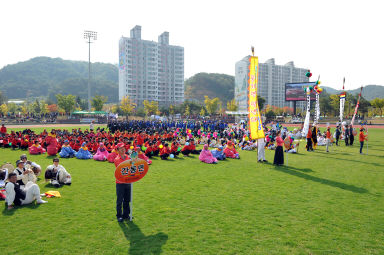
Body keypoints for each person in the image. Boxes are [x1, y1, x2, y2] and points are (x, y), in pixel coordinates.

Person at [114, 143, 132, 222]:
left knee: (127, 199)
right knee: (120, 200)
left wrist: (133, 160)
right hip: (120, 182)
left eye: (124, 148)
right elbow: (123, 168)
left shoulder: (128, 157)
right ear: (117, 150)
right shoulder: (117, 159)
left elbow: (131, 166)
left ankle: (126, 215)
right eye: (121, 148)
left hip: (128, 181)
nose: (123, 149)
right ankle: (119, 216)